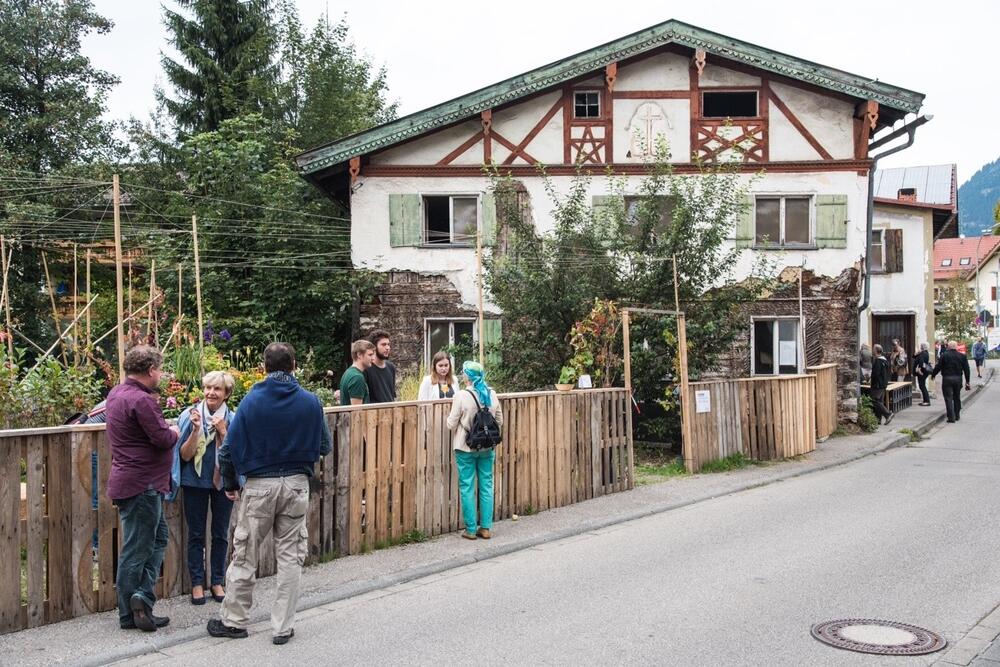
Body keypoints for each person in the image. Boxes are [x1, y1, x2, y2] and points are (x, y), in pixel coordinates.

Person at [207, 342, 331, 645]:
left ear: (265, 366)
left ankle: (234, 621)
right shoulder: (310, 402)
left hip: (260, 485)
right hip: (296, 484)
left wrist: (232, 485)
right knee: (290, 558)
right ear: (294, 365)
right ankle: (282, 627)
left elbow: (228, 449)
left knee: (245, 553)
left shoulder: (252, 401)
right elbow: (324, 446)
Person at [105, 345, 180, 632]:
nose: (160, 374)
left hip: (133, 481)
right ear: (151, 370)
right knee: (136, 550)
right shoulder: (142, 400)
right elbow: (161, 438)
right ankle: (130, 611)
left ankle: (141, 601)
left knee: (157, 539)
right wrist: (174, 431)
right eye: (159, 369)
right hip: (143, 484)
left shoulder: (116, 394)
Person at [173, 371, 236, 606]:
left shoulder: (233, 418)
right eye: (208, 388)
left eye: (217, 389)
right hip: (194, 481)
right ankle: (197, 583)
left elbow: (235, 453)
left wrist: (222, 431)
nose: (211, 393)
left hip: (222, 482)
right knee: (196, 534)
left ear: (226, 393)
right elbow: (184, 455)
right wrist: (196, 430)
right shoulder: (190, 416)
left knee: (220, 533)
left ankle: (217, 581)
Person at [447, 361, 503, 540]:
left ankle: (471, 529)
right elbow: (499, 420)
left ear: (467, 376)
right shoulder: (491, 393)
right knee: (486, 485)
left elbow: (451, 424)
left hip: (465, 447)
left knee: (467, 486)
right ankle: (485, 528)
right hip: (487, 446)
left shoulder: (461, 395)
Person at [931, 340, 971, 423]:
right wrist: (967, 381)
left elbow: (938, 366)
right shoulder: (962, 356)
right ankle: (957, 415)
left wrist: (933, 374)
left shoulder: (944, 355)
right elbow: (967, 369)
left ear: (948, 347)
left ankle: (951, 417)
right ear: (956, 347)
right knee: (957, 397)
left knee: (948, 398)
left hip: (947, 379)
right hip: (958, 379)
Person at [364, 330, 397, 403]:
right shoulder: (367, 368)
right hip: (373, 412)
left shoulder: (391, 367)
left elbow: (392, 395)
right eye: (383, 344)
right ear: (374, 347)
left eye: (388, 344)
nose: (387, 348)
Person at [339, 339, 375, 406]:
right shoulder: (357, 377)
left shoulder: (348, 372)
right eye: (370, 355)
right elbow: (356, 412)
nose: (373, 358)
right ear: (359, 355)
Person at [869, 344, 894, 426]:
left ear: (876, 351)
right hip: (883, 384)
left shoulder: (878, 361)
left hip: (878, 385)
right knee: (879, 401)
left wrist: (870, 380)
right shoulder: (885, 361)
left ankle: (888, 414)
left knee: (874, 400)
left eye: (873, 349)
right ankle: (877, 420)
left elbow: (876, 374)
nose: (872, 350)